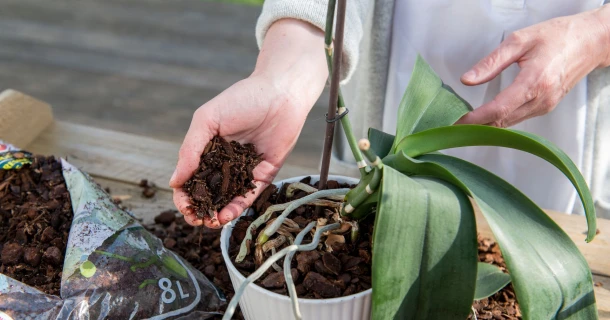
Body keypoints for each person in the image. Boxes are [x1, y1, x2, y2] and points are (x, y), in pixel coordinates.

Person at [171, 0, 610, 228]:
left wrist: (595, 37)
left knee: (544, 216)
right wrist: (283, 79)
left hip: (574, 90)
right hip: (402, 57)